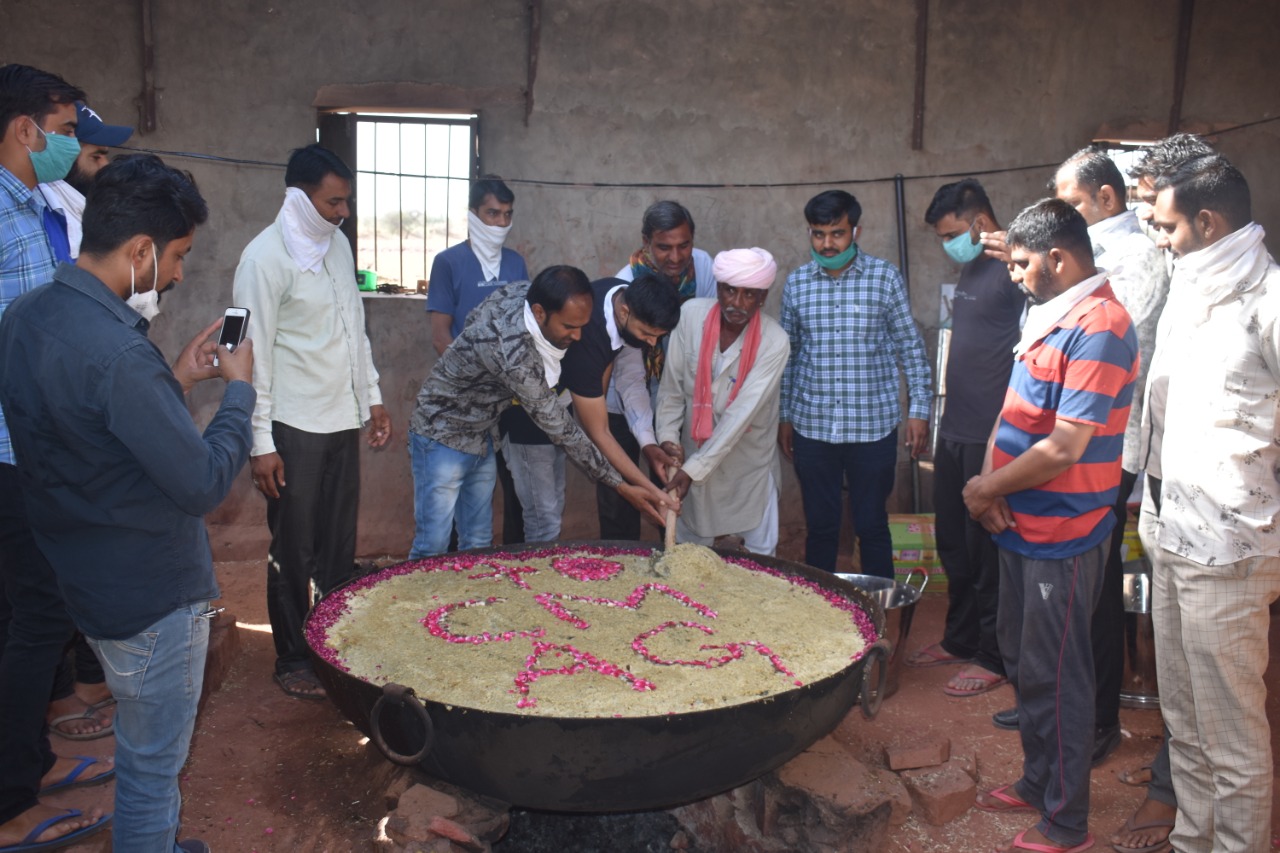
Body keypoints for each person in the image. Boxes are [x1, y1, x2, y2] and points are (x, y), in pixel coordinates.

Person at [0, 153, 252, 853]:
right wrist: (237, 391)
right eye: (176, 257)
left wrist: (171, 381)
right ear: (140, 249)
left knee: (143, 749)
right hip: (152, 597)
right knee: (149, 768)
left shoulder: (24, 318)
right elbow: (201, 481)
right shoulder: (116, 354)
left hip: (86, 575)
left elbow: (92, 439)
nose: (176, 274)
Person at [964, 198, 1138, 853]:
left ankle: (1066, 820)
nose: (1013, 275)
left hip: (1064, 532)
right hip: (1016, 521)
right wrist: (988, 487)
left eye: (1021, 263)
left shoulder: (1101, 325)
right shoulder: (1050, 313)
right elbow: (1014, 413)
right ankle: (1040, 781)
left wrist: (984, 488)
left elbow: (1065, 446)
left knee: (1059, 674)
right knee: (1026, 660)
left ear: (1059, 259)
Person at [1143, 153, 1280, 853]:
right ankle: (1192, 841)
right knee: (1186, 720)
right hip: (1169, 531)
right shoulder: (1189, 286)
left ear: (1206, 220)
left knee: (1231, 736)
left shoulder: (1267, 299)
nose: (1157, 237)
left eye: (1165, 226)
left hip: (1231, 548)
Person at [0, 63, 118, 852]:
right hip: (10, 449)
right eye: (66, 128)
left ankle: (34, 760)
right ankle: (11, 799)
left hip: (40, 443)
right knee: (35, 614)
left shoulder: (39, 206)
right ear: (24, 130)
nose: (72, 142)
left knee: (37, 611)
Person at [233, 144, 392, 700]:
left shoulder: (338, 245)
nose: (342, 212)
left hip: (340, 417)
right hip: (292, 425)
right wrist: (259, 442)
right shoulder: (262, 259)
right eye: (333, 203)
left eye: (346, 202)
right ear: (298, 198)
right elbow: (249, 355)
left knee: (335, 544)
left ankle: (330, 639)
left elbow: (355, 324)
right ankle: (293, 657)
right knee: (293, 547)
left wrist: (370, 397)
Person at [407, 266, 677, 558]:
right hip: (441, 432)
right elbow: (566, 430)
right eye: (569, 328)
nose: (578, 337)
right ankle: (417, 602)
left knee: (478, 539)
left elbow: (477, 316)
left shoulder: (539, 294)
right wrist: (623, 487)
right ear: (539, 313)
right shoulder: (516, 358)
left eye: (582, 326)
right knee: (433, 543)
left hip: (483, 433)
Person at [1105, 133, 1214, 853]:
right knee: (1167, 631)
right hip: (1154, 468)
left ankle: (1178, 786)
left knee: (1207, 660)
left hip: (1214, 495)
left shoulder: (1237, 283)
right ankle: (1174, 779)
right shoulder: (1165, 263)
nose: (1144, 221)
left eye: (1153, 205)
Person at [1051, 146, 1172, 762]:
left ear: (1107, 198)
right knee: (1073, 579)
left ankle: (1098, 720)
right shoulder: (1090, 255)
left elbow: (1104, 340)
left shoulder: (1139, 259)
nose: (1065, 213)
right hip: (1076, 435)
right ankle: (1063, 706)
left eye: (1072, 202)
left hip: (1111, 441)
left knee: (1095, 585)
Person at [907, 179, 1024, 699]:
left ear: (979, 223)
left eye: (952, 233)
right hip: (955, 428)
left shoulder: (1016, 271)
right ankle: (959, 638)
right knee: (953, 542)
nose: (947, 244)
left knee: (987, 550)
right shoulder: (972, 268)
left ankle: (994, 654)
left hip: (991, 434)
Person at [778, 189, 931, 576]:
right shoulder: (797, 284)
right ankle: (822, 613)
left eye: (837, 234)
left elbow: (909, 348)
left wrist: (919, 411)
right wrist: (784, 416)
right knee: (822, 527)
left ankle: (875, 615)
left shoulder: (884, 278)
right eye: (818, 234)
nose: (827, 244)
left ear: (855, 231)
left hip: (872, 428)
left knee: (872, 525)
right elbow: (788, 357)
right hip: (813, 428)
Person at [655, 248, 789, 554]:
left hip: (748, 461)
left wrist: (694, 469)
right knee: (690, 549)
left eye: (749, 295)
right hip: (693, 453)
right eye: (730, 291)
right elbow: (671, 391)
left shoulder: (775, 342)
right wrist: (667, 440)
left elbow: (740, 415)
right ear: (718, 289)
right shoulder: (690, 317)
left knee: (759, 555)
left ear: (763, 297)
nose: (737, 304)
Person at [598, 200, 716, 539]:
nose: (676, 257)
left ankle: (671, 556)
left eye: (684, 246)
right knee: (618, 485)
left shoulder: (704, 269)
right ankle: (620, 557)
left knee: (668, 478)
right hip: (622, 397)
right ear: (646, 241)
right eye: (664, 247)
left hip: (675, 395)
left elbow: (703, 335)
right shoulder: (624, 284)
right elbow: (628, 376)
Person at [39, 101, 133, 260]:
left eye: (105, 156)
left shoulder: (85, 208)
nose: (105, 165)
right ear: (65, 155)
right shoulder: (47, 213)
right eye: (96, 157)